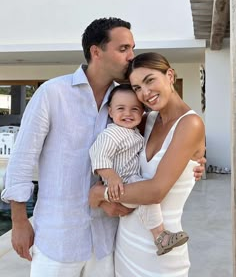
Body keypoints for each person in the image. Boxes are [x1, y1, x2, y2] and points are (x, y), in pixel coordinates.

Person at [1, 17, 205, 277]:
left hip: (107, 240)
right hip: (59, 240)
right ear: (96, 52)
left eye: (132, 48)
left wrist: (195, 159)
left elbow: (164, 142)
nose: (131, 56)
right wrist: (19, 221)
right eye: (123, 49)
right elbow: (22, 159)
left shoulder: (127, 103)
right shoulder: (52, 94)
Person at [89, 52, 206, 276]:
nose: (145, 93)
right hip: (126, 242)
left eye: (150, 80)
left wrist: (99, 193)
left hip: (161, 250)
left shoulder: (190, 124)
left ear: (170, 75)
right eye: (136, 88)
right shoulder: (148, 120)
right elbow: (116, 149)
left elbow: (155, 192)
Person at [89, 84, 189, 256]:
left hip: (130, 182)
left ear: (142, 112)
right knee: (147, 194)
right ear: (110, 112)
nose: (128, 114)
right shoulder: (111, 134)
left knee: (146, 197)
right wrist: (112, 178)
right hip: (122, 185)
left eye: (135, 109)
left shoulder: (135, 133)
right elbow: (98, 155)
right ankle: (160, 236)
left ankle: (159, 236)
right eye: (121, 108)